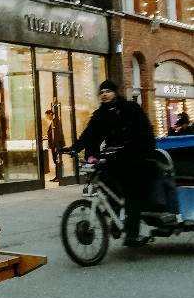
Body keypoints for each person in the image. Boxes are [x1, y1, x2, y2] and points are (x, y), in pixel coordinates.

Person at [67, 78, 156, 246]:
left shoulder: (130, 109)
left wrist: (140, 151)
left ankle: (132, 233)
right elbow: (90, 134)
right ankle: (115, 221)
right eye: (101, 92)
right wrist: (75, 148)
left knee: (132, 192)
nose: (104, 95)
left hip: (135, 156)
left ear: (115, 93)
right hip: (115, 157)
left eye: (107, 91)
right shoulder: (101, 114)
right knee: (107, 184)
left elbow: (145, 132)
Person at [44, 109, 64, 182]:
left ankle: (59, 177)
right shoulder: (53, 122)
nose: (47, 117)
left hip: (56, 145)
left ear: (51, 114)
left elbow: (57, 135)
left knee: (57, 161)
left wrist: (56, 146)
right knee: (56, 161)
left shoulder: (56, 122)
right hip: (53, 145)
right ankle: (57, 177)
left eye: (47, 115)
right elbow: (51, 134)